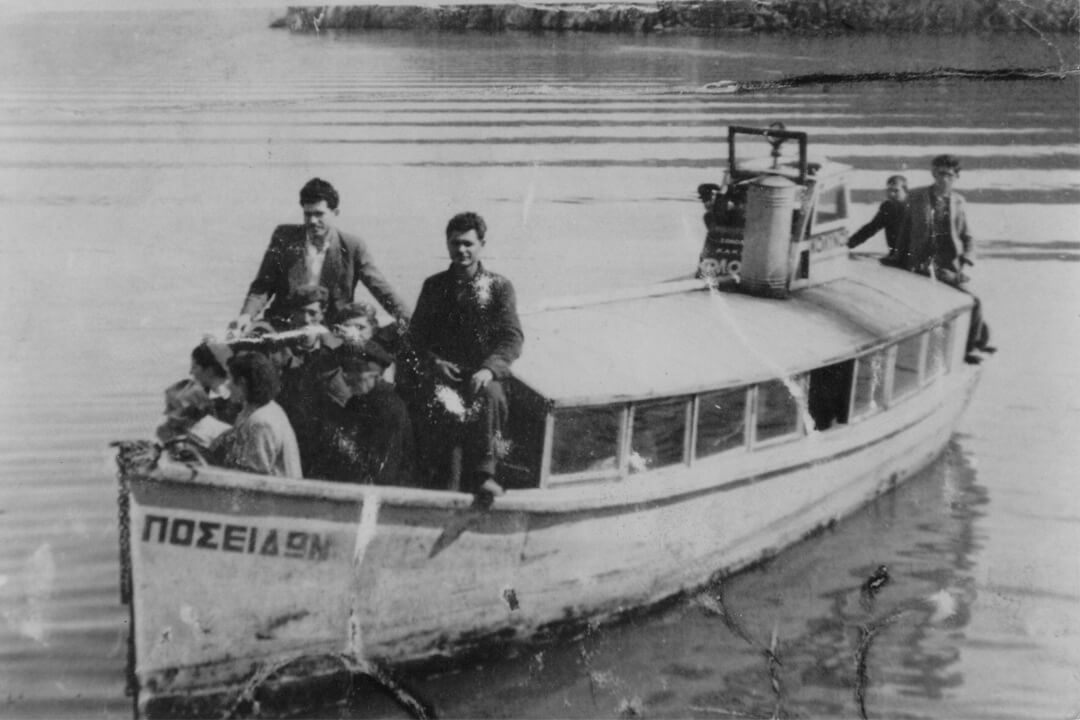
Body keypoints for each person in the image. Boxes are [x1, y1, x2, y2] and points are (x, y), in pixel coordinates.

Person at [405, 212, 523, 504]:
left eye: (469, 244)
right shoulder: (434, 287)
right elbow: (415, 339)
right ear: (447, 244)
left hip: (480, 375)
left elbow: (512, 338)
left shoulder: (499, 287)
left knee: (492, 395)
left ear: (482, 244)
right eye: (456, 243)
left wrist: (488, 370)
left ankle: (485, 475)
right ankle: (438, 483)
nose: (462, 251)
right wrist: (435, 364)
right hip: (443, 374)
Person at [228, 177, 411, 334]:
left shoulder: (353, 246)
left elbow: (380, 288)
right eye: (307, 214)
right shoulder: (283, 238)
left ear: (335, 213)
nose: (312, 221)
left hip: (330, 328)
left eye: (319, 214)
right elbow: (262, 286)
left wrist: (407, 318)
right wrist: (246, 315)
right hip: (285, 323)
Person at [896, 155, 994, 361]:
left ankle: (970, 348)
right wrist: (898, 260)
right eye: (939, 173)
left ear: (956, 177)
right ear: (933, 173)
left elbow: (968, 237)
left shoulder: (958, 202)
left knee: (974, 302)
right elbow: (904, 232)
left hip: (947, 267)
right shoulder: (915, 197)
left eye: (948, 175)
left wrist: (967, 259)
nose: (943, 179)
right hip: (920, 265)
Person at [318, 351, 416, 486]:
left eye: (350, 373)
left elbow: (384, 468)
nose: (348, 381)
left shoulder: (387, 408)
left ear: (371, 375)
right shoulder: (365, 401)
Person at [210, 352, 301, 477]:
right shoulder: (262, 409)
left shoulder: (261, 422)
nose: (227, 385)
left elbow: (253, 479)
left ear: (242, 383)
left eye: (230, 379)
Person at [155, 341, 239, 444]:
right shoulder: (203, 395)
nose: (191, 372)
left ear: (210, 370)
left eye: (195, 366)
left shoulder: (234, 402)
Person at [847, 175, 908, 266]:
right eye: (889, 190)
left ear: (905, 191)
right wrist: (848, 245)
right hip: (896, 257)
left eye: (896, 191)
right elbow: (871, 228)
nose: (891, 194)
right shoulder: (888, 207)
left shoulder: (916, 207)